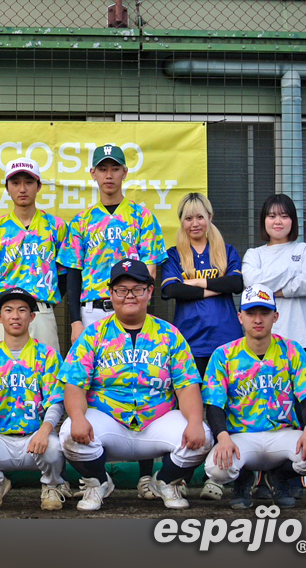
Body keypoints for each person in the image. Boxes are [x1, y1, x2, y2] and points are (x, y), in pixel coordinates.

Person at [58, 259, 212, 511]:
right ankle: (98, 482)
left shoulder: (169, 334)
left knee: (203, 435)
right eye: (121, 290)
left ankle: (164, 482)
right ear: (110, 294)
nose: (129, 295)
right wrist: (77, 416)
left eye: (137, 289)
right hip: (108, 422)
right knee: (68, 432)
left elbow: (187, 386)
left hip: (156, 423)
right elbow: (74, 384)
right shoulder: (93, 334)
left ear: (149, 293)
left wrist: (195, 422)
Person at [58, 144, 167, 497]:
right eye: (102, 168)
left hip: (134, 307)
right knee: (93, 388)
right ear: (92, 174)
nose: (108, 174)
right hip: (93, 308)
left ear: (124, 172)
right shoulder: (82, 220)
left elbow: (151, 267)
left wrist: (145, 308)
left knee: (143, 380)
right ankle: (96, 475)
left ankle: (147, 475)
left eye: (114, 168)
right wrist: (75, 320)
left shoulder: (141, 215)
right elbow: (71, 273)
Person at [203, 284, 306, 509]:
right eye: (251, 313)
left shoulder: (292, 350)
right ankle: (243, 479)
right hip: (241, 437)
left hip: (283, 434)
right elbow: (214, 404)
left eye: (264, 313)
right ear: (240, 317)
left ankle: (280, 476)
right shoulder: (224, 354)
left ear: (275, 316)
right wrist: (223, 437)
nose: (258, 319)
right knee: (216, 469)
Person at [160, 192, 244, 500]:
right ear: (181, 222)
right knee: (188, 412)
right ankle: (179, 477)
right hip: (189, 343)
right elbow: (170, 291)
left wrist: (195, 284)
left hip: (227, 342)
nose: (195, 223)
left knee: (227, 408)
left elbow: (235, 285)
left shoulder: (226, 250)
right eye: (188, 218)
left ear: (209, 218)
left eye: (200, 216)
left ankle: (219, 478)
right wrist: (212, 286)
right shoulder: (173, 254)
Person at [0, 288, 70, 511]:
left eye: (22, 310)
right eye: (8, 310)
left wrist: (45, 431)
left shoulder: (47, 355)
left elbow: (56, 401)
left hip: (35, 438)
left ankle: (52, 486)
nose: (15, 316)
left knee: (56, 448)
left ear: (32, 317)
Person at [242, 193, 306, 500]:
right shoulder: (254, 254)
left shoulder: (305, 249)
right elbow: (252, 285)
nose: (278, 221)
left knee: (303, 413)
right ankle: (260, 481)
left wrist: (269, 288)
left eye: (284, 216)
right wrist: (290, 278)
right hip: (261, 346)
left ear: (293, 221)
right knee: (261, 411)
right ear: (264, 221)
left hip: (300, 341)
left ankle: (289, 477)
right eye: (272, 216)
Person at [0, 157, 67, 350]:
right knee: (0, 371)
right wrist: (7, 305)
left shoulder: (56, 226)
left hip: (41, 309)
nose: (22, 189)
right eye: (15, 183)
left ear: (39, 185)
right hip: (5, 312)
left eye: (28, 182)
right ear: (7, 188)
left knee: (46, 372)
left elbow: (64, 276)